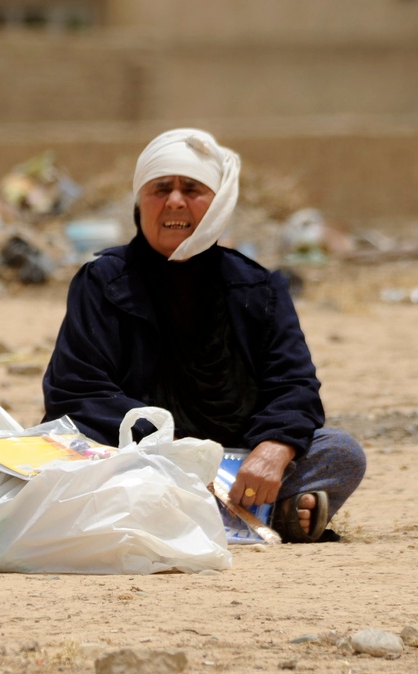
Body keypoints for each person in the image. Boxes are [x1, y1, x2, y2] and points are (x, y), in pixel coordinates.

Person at [42, 127, 366, 544]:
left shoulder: (259, 288)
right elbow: (76, 391)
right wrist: (171, 446)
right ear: (140, 203)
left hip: (234, 462)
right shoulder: (102, 282)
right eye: (161, 188)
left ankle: (222, 508)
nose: (175, 200)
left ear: (217, 205)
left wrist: (275, 447)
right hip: (140, 456)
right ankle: (265, 514)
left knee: (339, 451)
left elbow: (294, 385)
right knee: (64, 455)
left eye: (191, 189)